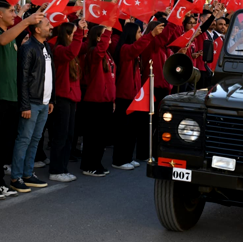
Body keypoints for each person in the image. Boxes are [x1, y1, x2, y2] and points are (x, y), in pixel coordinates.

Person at [0, 0, 43, 200]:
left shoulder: (10, 36)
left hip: (9, 98)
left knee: (3, 145)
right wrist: (26, 21)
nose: (14, 15)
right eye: (11, 11)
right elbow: (2, 40)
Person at [10, 17, 55, 192]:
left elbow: (50, 75)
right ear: (36, 29)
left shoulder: (46, 47)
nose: (50, 27)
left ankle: (28, 174)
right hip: (32, 103)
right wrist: (25, 105)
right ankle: (16, 177)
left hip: (44, 102)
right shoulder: (28, 48)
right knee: (24, 139)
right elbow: (23, 78)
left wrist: (51, 99)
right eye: (47, 25)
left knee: (36, 140)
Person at [112, 22, 164, 170]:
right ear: (131, 33)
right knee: (124, 130)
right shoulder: (125, 49)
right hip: (124, 95)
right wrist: (151, 34)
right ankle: (119, 160)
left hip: (133, 95)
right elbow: (136, 48)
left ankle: (127, 157)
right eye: (139, 32)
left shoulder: (132, 51)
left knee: (131, 130)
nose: (141, 35)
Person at [48, 20, 88, 182]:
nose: (74, 37)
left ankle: (62, 168)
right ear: (65, 35)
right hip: (62, 99)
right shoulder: (59, 50)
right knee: (61, 135)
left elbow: (84, 47)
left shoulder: (72, 50)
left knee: (69, 135)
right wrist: (79, 33)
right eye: (71, 34)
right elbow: (72, 51)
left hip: (72, 99)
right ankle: (56, 169)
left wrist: (86, 31)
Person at [80, 25, 115, 177]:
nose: (109, 37)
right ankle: (89, 165)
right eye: (105, 35)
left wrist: (112, 99)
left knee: (101, 137)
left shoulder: (107, 54)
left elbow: (111, 79)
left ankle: (97, 162)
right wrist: (107, 29)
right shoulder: (94, 52)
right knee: (93, 136)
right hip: (95, 101)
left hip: (106, 100)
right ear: (98, 38)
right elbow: (100, 49)